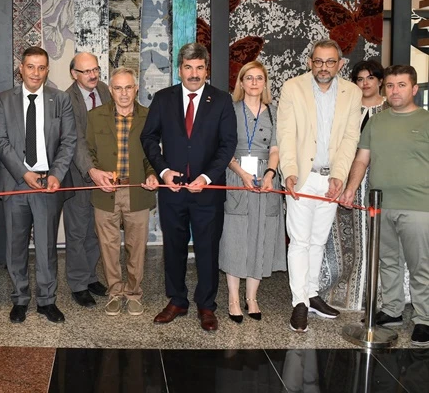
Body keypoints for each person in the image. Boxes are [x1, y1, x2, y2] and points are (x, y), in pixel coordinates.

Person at [141, 42, 238, 332]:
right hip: (172, 190)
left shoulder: (221, 100)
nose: (194, 73)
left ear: (206, 70)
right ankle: (177, 300)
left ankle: (206, 305)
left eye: (199, 68)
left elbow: (227, 144)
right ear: (179, 69)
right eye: (188, 67)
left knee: (207, 248)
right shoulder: (163, 99)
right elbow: (148, 137)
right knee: (174, 247)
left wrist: (207, 177)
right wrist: (163, 171)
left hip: (207, 191)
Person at [339, 65, 429, 347]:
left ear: (414, 89)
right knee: (388, 261)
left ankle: (424, 319)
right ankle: (392, 310)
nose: (395, 91)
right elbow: (361, 159)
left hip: (419, 206)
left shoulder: (426, 120)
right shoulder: (376, 122)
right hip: (380, 207)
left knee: (420, 265)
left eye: (401, 85)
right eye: (390, 85)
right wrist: (350, 189)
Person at [276, 39, 362, 333]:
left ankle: (312, 294)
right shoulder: (293, 88)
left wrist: (339, 174)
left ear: (340, 64)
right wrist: (289, 171)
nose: (324, 67)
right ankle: (299, 302)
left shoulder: (352, 93)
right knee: (299, 241)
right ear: (309, 62)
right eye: (318, 61)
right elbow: (286, 134)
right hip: (302, 177)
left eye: (330, 61)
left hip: (330, 180)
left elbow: (350, 138)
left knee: (318, 240)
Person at [0, 46, 76, 323]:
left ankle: (47, 300)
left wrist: (56, 174)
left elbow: (68, 141)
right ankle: (19, 299)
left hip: (48, 182)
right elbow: (0, 141)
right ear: (21, 68)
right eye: (31, 67)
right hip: (15, 182)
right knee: (15, 246)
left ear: (47, 70)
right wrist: (23, 173)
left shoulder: (60, 99)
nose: (36, 73)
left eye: (41, 67)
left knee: (46, 245)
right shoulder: (4, 100)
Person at [85, 67, 158, 316]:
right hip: (105, 192)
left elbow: (153, 154)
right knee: (109, 247)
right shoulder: (95, 116)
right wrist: (95, 173)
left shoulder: (149, 117)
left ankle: (134, 293)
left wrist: (153, 174)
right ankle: (115, 292)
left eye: (128, 87)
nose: (124, 93)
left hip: (137, 191)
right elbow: (88, 151)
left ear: (136, 89)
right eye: (118, 88)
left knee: (136, 247)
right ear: (110, 90)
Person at [219, 61, 286, 323]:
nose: (254, 82)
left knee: (262, 236)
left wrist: (270, 173)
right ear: (241, 82)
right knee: (235, 237)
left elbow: (276, 148)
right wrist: (242, 173)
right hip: (237, 175)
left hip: (266, 180)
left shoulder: (274, 112)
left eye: (259, 78)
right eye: (249, 78)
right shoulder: (230, 110)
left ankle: (252, 297)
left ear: (265, 82)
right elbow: (223, 148)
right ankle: (233, 299)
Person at [323, 60, 388, 309]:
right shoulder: (347, 109)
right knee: (344, 237)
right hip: (346, 178)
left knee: (380, 236)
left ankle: (380, 294)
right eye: (360, 79)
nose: (365, 83)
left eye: (370, 78)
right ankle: (344, 290)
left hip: (379, 180)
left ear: (380, 80)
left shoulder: (388, 109)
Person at [62, 52, 111, 307]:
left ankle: (91, 276)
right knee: (77, 232)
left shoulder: (104, 90)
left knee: (95, 229)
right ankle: (78, 284)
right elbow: (75, 139)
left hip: (105, 174)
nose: (93, 75)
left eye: (95, 69)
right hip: (79, 175)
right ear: (74, 74)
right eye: (87, 71)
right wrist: (91, 170)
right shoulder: (66, 99)